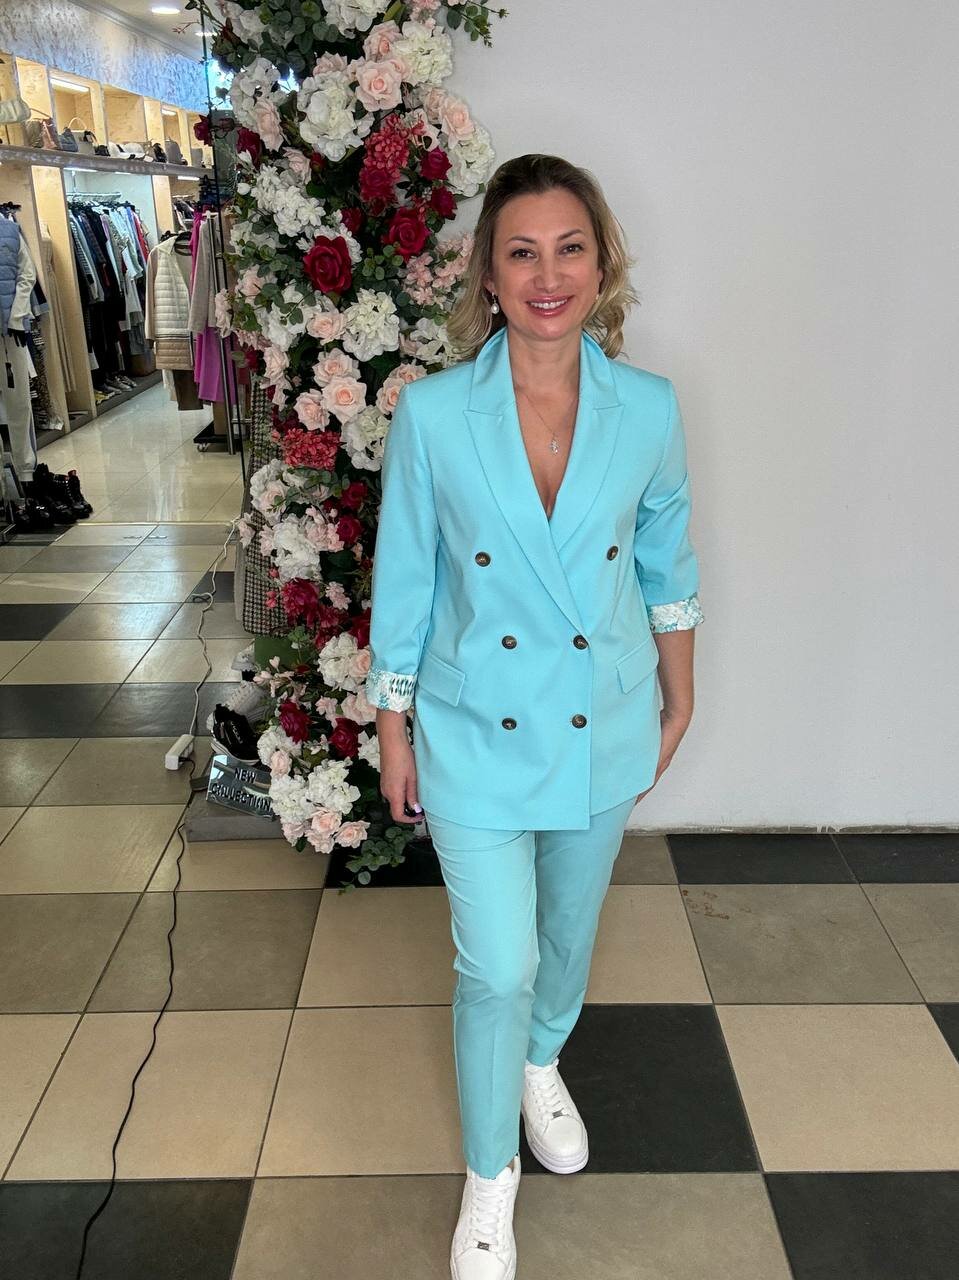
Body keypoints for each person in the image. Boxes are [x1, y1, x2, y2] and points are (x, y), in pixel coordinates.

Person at [364, 153, 704, 1280]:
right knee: (496, 967)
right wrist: (393, 728)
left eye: (568, 249)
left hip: (602, 720)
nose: (546, 275)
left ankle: (539, 1062)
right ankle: (488, 1179)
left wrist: (681, 691)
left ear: (600, 264)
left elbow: (665, 563)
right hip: (472, 728)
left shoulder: (647, 408)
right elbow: (406, 581)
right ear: (488, 272)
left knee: (564, 940)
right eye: (522, 252)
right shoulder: (434, 415)